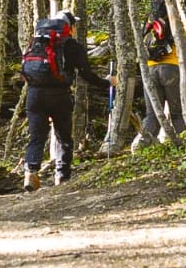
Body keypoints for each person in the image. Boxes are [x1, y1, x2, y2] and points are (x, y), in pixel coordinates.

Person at [20, 10, 115, 190]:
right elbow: (86, 74)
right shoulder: (72, 46)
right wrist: (106, 83)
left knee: (36, 137)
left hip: (34, 94)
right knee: (63, 137)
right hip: (59, 95)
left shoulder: (37, 43)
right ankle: (62, 178)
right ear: (69, 27)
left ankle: (30, 173)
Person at [134, 0, 186, 149]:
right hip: (173, 69)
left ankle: (142, 146)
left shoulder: (156, 23)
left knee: (152, 115)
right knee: (178, 113)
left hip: (150, 69)